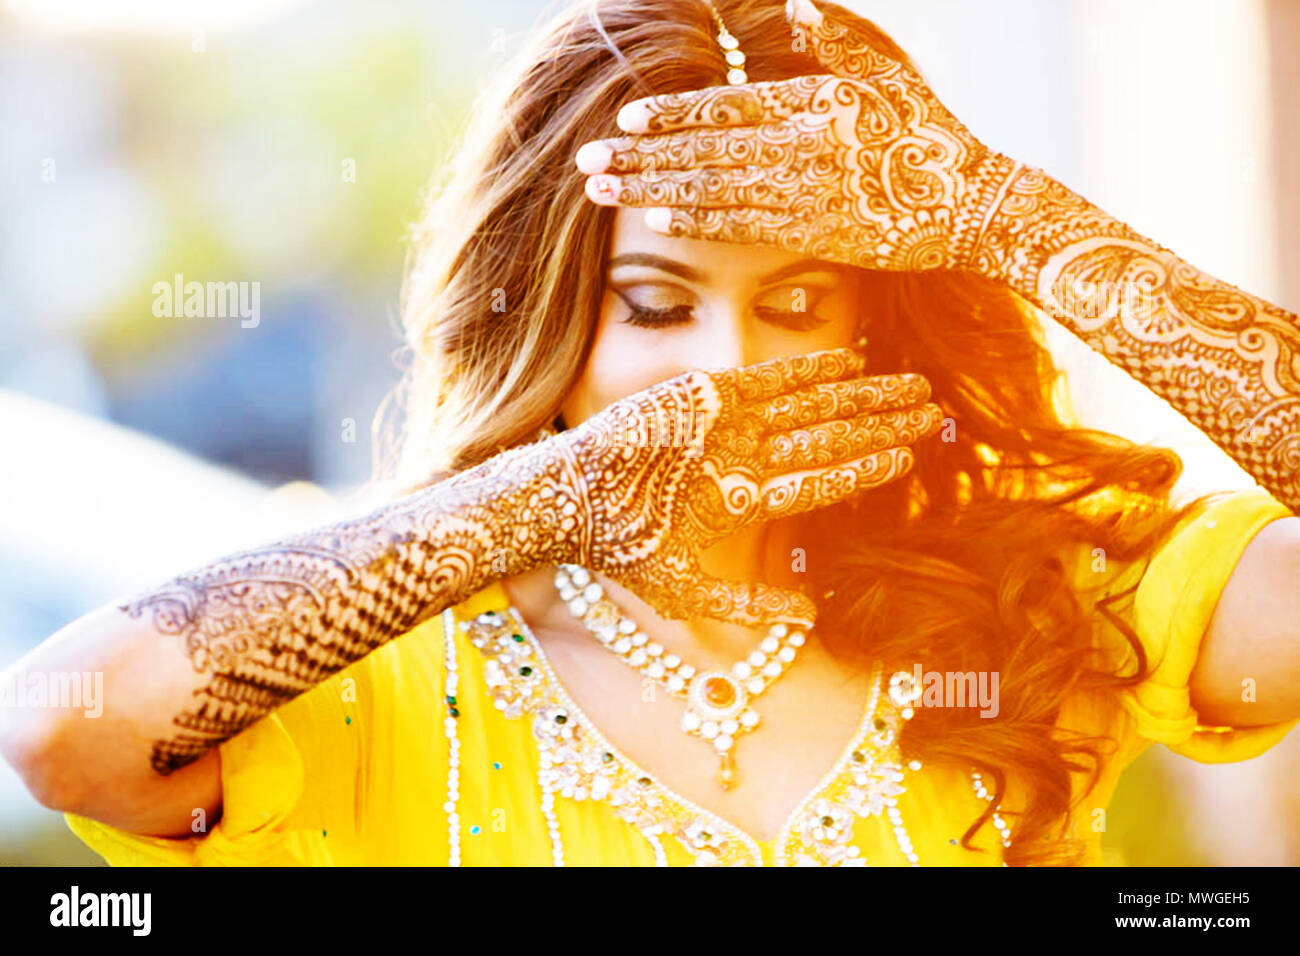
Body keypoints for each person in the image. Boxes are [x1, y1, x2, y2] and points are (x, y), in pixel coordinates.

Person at [2, 0, 1297, 867]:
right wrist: (550, 495)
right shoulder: (369, 659)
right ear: (551, 324)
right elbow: (64, 731)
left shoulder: (1039, 602)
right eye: (655, 304)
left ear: (873, 336)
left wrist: (1003, 215)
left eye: (795, 303)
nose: (724, 371)